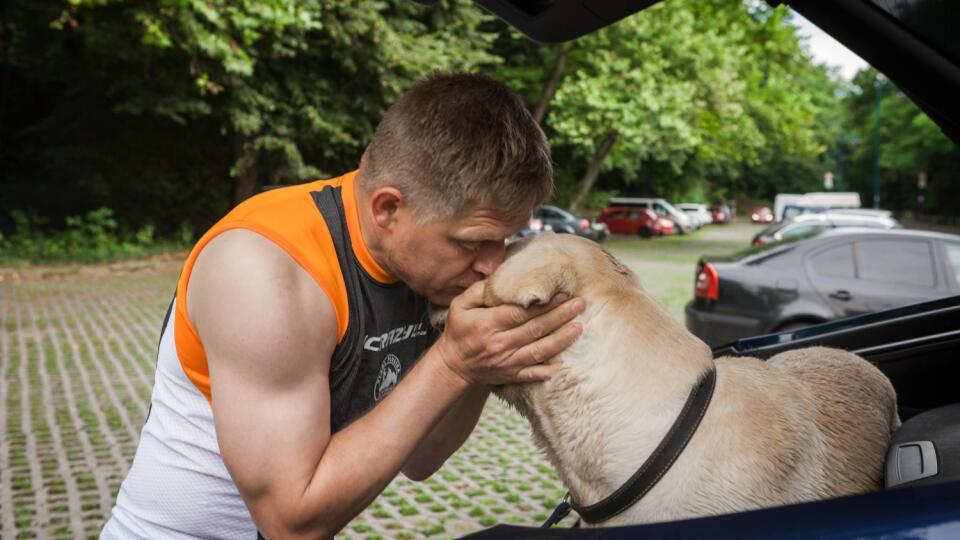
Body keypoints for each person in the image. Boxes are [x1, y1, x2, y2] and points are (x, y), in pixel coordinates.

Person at [101, 72, 586, 539]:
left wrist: (486, 359)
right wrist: (455, 363)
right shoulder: (266, 270)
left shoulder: (426, 269)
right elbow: (292, 523)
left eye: (505, 240)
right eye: (471, 243)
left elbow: (422, 459)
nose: (491, 265)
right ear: (388, 209)